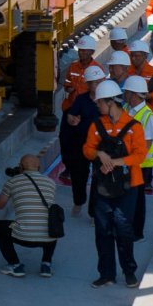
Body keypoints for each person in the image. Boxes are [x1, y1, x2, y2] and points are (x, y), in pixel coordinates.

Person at [83, 80, 146, 288]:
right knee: (102, 231)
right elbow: (87, 150)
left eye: (99, 102)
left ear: (110, 103)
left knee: (123, 229)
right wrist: (100, 153)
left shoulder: (134, 127)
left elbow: (140, 155)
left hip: (128, 187)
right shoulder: (96, 126)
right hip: (103, 187)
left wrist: (115, 162)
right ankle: (107, 274)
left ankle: (129, 271)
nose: (97, 106)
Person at [0, 153, 60, 278]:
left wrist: (6, 190)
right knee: (51, 223)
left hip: (23, 235)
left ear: (20, 167)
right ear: (38, 167)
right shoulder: (51, 183)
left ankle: (15, 265)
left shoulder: (13, 181)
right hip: (48, 238)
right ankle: (46, 264)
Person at [59, 65, 109, 210]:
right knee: (78, 174)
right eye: (95, 82)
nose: (98, 84)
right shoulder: (81, 99)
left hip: (100, 146)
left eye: (100, 81)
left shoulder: (108, 101)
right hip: (81, 143)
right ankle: (79, 201)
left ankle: (94, 211)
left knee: (99, 178)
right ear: (88, 84)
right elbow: (70, 115)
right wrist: (71, 120)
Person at [123, 74, 153, 242]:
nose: (125, 95)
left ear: (134, 94)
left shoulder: (147, 116)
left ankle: (136, 232)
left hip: (141, 165)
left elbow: (146, 145)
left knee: (136, 201)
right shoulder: (126, 109)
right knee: (126, 198)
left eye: (127, 92)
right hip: (127, 162)